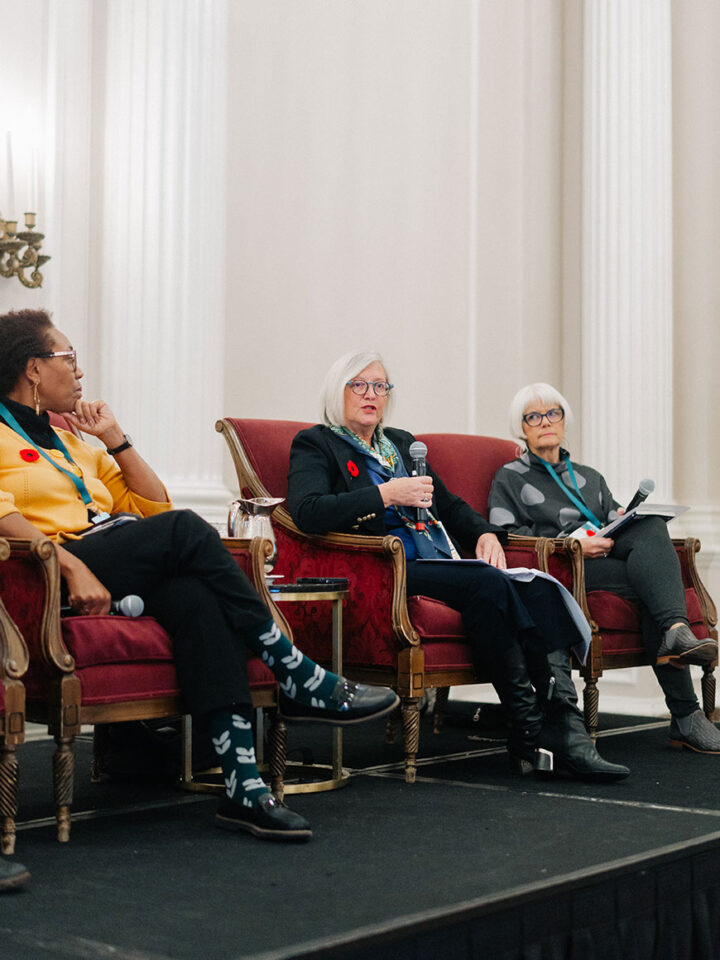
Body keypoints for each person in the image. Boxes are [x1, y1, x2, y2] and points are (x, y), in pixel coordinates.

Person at [0, 310, 398, 842]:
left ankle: (244, 788)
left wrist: (116, 440)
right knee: (189, 530)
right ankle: (293, 669)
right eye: (67, 358)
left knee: (197, 600)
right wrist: (70, 567)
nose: (78, 371)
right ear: (32, 369)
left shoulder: (77, 444)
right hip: (58, 567)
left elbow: (153, 505)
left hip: (116, 553)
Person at [286, 351, 629, 782]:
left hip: (435, 559)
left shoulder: (398, 442)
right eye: (359, 385)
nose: (371, 395)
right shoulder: (318, 443)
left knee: (536, 587)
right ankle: (532, 729)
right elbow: (307, 512)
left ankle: (564, 723)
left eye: (380, 386)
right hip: (382, 568)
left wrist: (485, 533)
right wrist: (387, 494)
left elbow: (448, 505)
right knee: (487, 584)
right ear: (338, 391)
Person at [488, 382, 720, 754]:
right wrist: (572, 545)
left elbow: (614, 522)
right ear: (522, 427)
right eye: (534, 416)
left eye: (553, 413)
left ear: (565, 421)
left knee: (648, 524)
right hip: (565, 570)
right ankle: (686, 717)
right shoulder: (509, 478)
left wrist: (626, 520)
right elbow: (508, 538)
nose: (545, 422)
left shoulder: (589, 476)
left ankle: (675, 631)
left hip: (608, 560)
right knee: (653, 589)